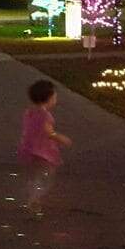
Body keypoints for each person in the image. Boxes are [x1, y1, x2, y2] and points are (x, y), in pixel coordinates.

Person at [19, 78, 73, 217]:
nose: (56, 100)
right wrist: (61, 138)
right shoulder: (46, 115)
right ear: (47, 99)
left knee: (35, 175)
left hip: (30, 148)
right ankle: (34, 200)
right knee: (46, 177)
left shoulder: (29, 112)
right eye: (54, 97)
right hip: (43, 151)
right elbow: (48, 132)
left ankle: (32, 195)